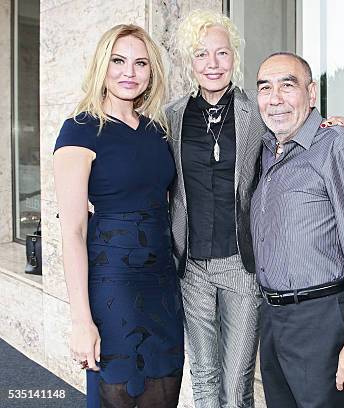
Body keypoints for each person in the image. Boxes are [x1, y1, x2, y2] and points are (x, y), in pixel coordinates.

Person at [167, 10, 344, 407]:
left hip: (242, 264)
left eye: (221, 53)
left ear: (235, 56)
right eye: (201, 55)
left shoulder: (260, 110)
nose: (212, 64)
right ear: (189, 61)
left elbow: (297, 131)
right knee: (203, 378)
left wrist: (329, 125)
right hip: (191, 268)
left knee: (236, 383)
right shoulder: (172, 117)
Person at [251, 52, 344, 408]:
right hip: (275, 322)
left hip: (324, 322)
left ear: (312, 93)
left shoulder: (339, 147)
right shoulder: (268, 150)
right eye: (265, 88)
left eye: (288, 85)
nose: (275, 99)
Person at [54, 24, 184, 407]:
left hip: (163, 286)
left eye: (140, 63)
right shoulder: (79, 131)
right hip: (113, 286)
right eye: (118, 60)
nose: (129, 72)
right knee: (117, 395)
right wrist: (81, 319)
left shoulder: (157, 131)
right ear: (102, 66)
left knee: (164, 394)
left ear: (151, 72)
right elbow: (73, 231)